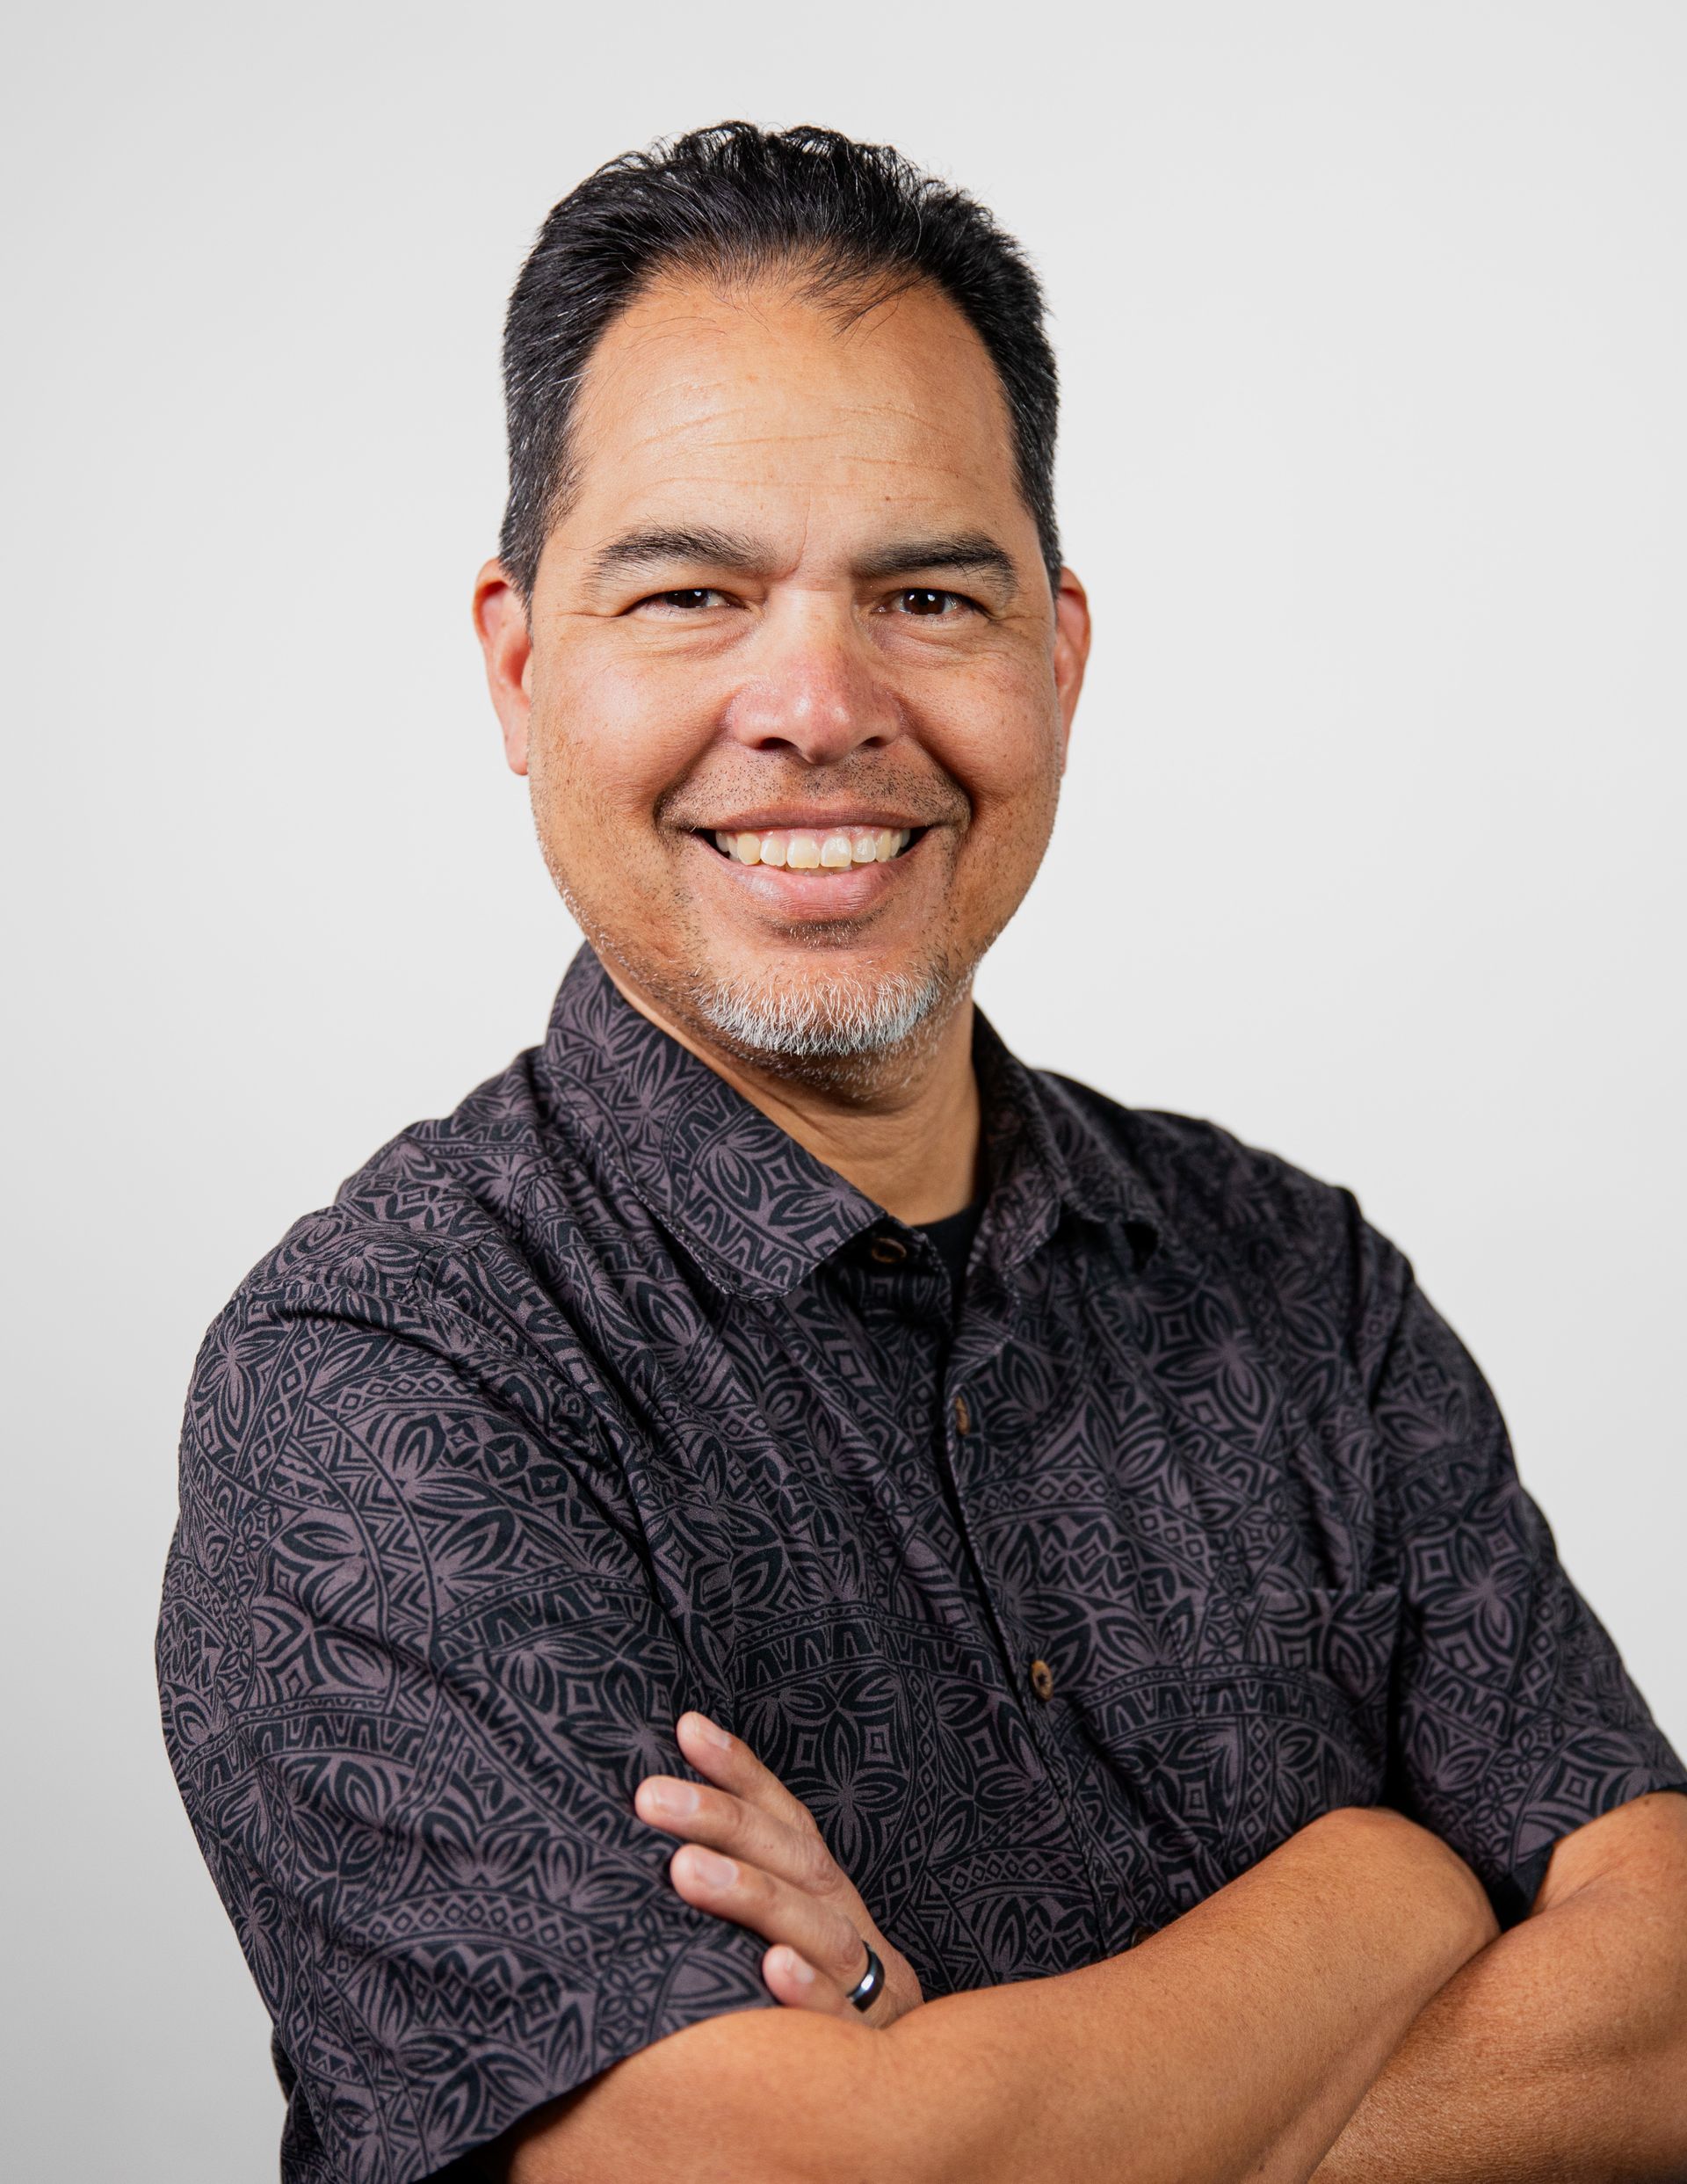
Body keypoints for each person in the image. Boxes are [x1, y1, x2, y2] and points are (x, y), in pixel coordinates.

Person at [156, 122, 1687, 2184]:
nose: (816, 703)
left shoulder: (1298, 1282)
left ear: (1058, 654)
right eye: (693, 594)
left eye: (930, 594)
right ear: (521, 668)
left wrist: (943, 2075)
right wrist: (1386, 1889)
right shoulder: (387, 1379)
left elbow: (1669, 2002)